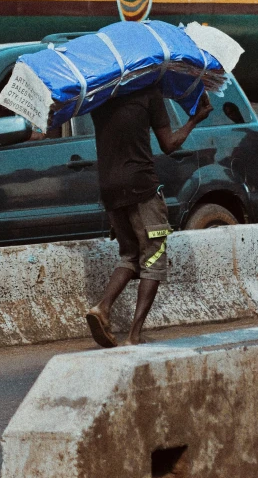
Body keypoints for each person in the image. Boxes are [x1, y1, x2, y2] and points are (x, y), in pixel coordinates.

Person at [86, 86, 213, 347]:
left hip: (109, 189)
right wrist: (194, 120)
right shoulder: (149, 92)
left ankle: (102, 308)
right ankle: (134, 335)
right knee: (153, 259)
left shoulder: (99, 93)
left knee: (130, 255)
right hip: (141, 186)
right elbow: (169, 144)